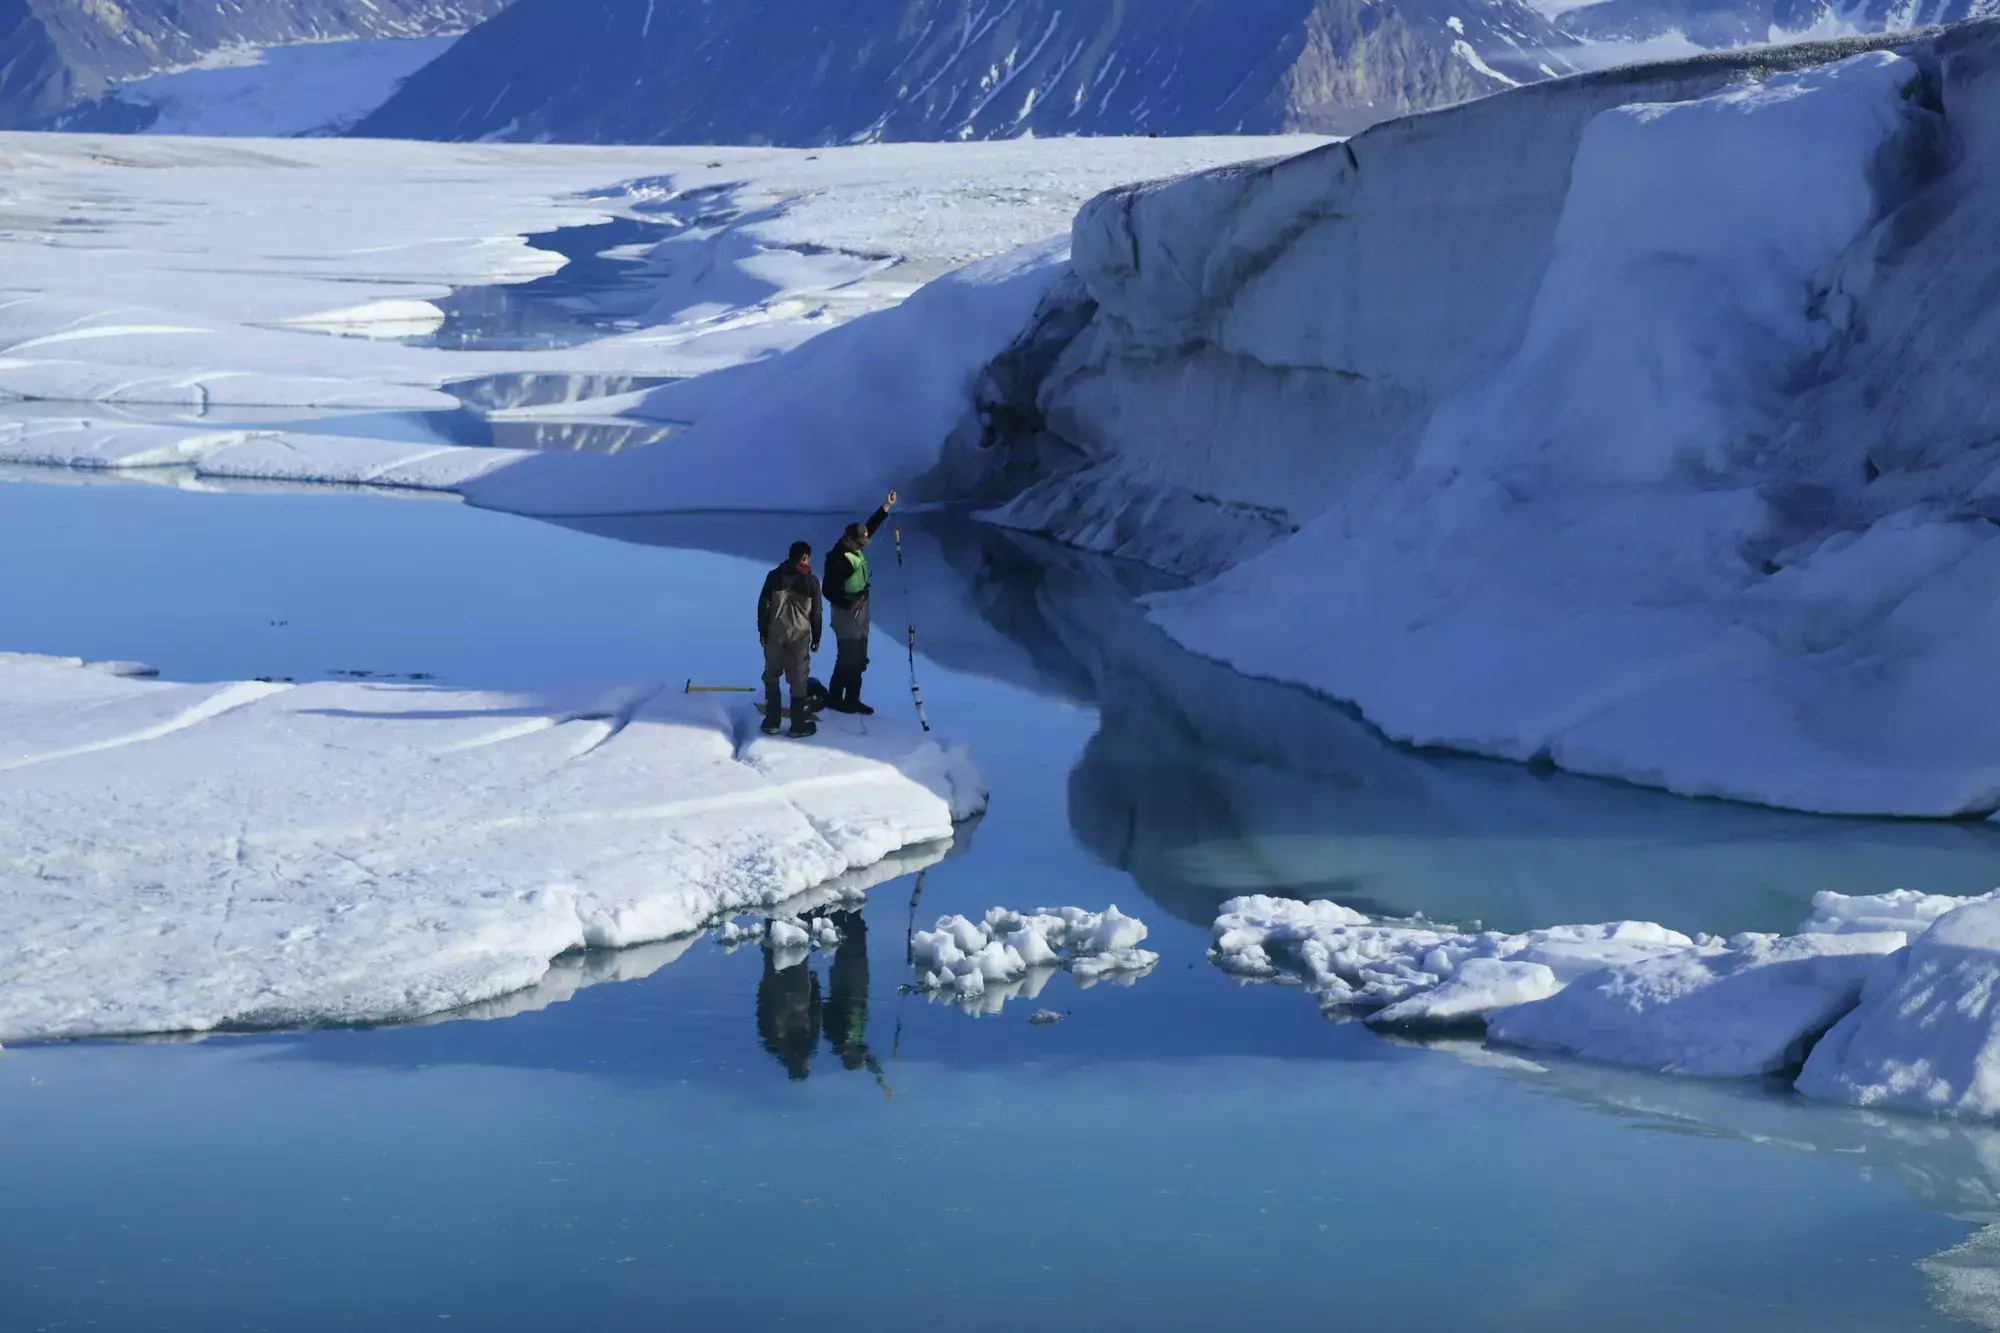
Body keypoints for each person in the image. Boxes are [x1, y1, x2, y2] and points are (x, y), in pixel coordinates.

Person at [821, 491, 897, 714]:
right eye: (859, 543)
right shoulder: (837, 559)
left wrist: (886, 506)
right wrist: (848, 603)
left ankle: (853, 698)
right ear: (848, 539)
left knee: (860, 655)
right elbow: (828, 590)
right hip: (846, 612)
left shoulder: (855, 542)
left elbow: (869, 527)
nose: (861, 546)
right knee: (847, 655)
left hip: (862, 606)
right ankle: (836, 698)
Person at [758, 540, 821, 738]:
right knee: (798, 680)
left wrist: (763, 632)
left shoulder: (774, 575)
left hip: (775, 634)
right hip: (799, 636)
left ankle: (772, 721)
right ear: (804, 557)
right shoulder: (811, 581)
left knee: (772, 675)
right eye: (808, 557)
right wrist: (817, 637)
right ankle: (797, 724)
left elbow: (763, 606)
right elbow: (816, 613)